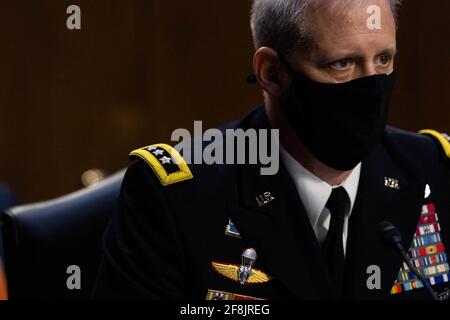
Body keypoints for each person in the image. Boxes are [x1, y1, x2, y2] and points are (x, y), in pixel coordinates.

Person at [93, 0, 450, 300]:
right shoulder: (179, 198)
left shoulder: (433, 169)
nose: (372, 85)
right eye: (342, 64)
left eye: (384, 59)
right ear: (273, 73)